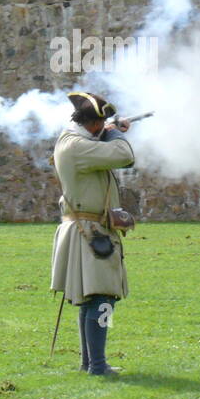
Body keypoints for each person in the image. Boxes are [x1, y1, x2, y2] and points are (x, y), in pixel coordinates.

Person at [50, 92, 134, 376]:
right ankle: (97, 365)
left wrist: (108, 132)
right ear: (95, 123)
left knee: (94, 297)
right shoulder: (76, 146)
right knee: (102, 298)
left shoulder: (77, 143)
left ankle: (91, 363)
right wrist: (114, 135)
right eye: (103, 121)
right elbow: (125, 156)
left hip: (91, 228)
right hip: (90, 230)